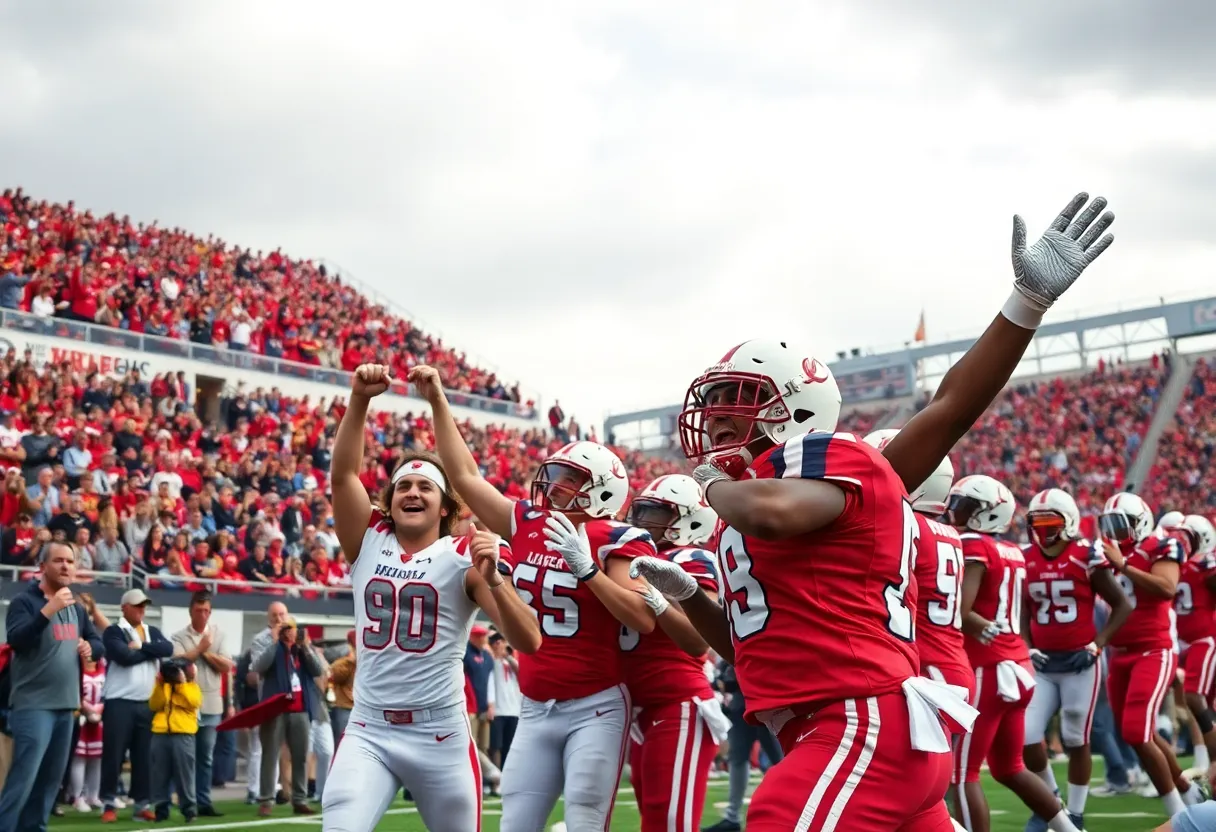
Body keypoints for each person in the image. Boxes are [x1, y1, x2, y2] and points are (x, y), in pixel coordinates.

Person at [634, 191, 1116, 830]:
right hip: (835, 723)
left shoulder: (825, 462)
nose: (717, 412)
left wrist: (1024, 304)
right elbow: (747, 645)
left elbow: (945, 411)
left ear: (794, 409)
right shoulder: (750, 501)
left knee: (776, 817)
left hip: (857, 718)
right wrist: (691, 596)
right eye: (715, 396)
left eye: (735, 396)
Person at [417, 362, 660, 832]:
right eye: (555, 474)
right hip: (534, 703)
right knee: (516, 824)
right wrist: (439, 402)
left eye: (568, 479)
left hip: (595, 704)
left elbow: (642, 617)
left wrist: (586, 567)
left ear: (599, 491)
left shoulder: (618, 538)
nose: (551, 485)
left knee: (587, 821)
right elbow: (465, 477)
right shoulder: (528, 521)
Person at [321, 363, 541, 832]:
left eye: (425, 486)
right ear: (389, 500)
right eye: (403, 485)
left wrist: (496, 580)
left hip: (437, 731)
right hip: (369, 727)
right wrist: (358, 400)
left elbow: (529, 641)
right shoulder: (368, 538)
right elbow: (343, 477)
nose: (412, 492)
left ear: (446, 507)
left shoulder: (464, 554)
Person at [949, 476, 1077, 832]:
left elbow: (959, 609)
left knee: (961, 774)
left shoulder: (974, 544)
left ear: (988, 513)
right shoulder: (1011, 551)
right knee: (1010, 767)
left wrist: (969, 622)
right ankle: (1070, 829)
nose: (955, 513)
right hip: (1017, 663)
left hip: (987, 668)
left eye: (965, 506)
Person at [621, 474, 730, 832]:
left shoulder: (691, 557)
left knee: (669, 824)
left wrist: (656, 596)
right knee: (652, 820)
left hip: (677, 702)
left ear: (690, 520)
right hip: (639, 709)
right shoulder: (630, 557)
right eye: (639, 511)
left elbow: (701, 639)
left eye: (654, 513)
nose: (640, 522)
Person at [1018, 488, 1131, 831]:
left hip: (1081, 662)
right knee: (1026, 737)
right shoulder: (1025, 556)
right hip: (1043, 662)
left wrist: (1098, 645)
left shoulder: (1086, 555)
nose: (1042, 530)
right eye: (1036, 523)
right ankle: (1051, 802)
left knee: (1075, 736)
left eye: (1049, 522)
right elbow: (1024, 608)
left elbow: (1123, 604)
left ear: (1066, 522)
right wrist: (1027, 644)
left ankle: (1076, 815)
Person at [1100, 492, 1201, 816]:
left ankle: (1178, 810)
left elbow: (1166, 587)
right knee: (1139, 732)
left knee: (1135, 731)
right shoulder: (1113, 551)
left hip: (1153, 650)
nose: (1114, 531)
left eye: (1120, 524)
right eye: (1110, 524)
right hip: (1120, 653)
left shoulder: (1160, 545)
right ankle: (1187, 789)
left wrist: (1124, 565)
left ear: (1140, 522)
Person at [0, 541, 104, 832]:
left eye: (70, 561)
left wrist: (89, 647)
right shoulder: (25, 602)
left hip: (67, 706)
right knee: (23, 779)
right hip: (33, 705)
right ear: (42, 567)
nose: (65, 566)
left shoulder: (77, 608)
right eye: (58, 561)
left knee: (49, 783)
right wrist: (48, 610)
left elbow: (97, 641)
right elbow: (17, 639)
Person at [99, 588, 174, 823]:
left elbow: (168, 649)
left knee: (144, 757)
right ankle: (109, 802)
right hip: (119, 701)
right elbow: (123, 657)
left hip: (146, 702)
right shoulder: (114, 631)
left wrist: (140, 647)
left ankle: (142, 804)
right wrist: (149, 651)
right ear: (125, 608)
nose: (142, 609)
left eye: (144, 605)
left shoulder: (151, 631)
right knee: (114, 755)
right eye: (137, 605)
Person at [251, 615, 323, 816]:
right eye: (290, 628)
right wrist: (274, 641)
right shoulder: (273, 648)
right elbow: (259, 667)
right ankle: (266, 799)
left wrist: (306, 647)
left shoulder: (301, 650)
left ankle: (299, 799)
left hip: (300, 710)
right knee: (270, 755)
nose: (293, 632)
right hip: (276, 708)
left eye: (295, 628)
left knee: (300, 756)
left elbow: (317, 670)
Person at [171, 589, 233, 817]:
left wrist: (201, 653)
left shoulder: (219, 635)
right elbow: (176, 662)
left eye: (207, 610)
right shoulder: (179, 636)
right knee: (186, 757)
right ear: (191, 611)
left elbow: (227, 666)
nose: (203, 615)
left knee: (206, 757)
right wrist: (201, 649)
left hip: (211, 704)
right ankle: (185, 799)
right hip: (186, 704)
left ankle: (203, 801)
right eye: (199, 610)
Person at [1171, 515, 1216, 774]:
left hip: (1204, 640)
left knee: (1194, 698)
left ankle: (1212, 764)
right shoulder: (1174, 565)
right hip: (1182, 642)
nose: (1181, 542)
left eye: (1188, 537)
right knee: (1201, 704)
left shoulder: (1205, 565)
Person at [149, 658, 203, 822]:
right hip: (160, 732)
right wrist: (159, 684)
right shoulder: (162, 686)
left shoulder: (192, 687)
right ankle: (161, 809)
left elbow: (194, 702)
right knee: (159, 774)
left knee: (185, 774)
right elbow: (154, 705)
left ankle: (189, 809)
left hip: (183, 733)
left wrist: (181, 683)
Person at [488, 632, 521, 769]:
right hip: (498, 710)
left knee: (510, 746)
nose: (503, 646)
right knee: (495, 746)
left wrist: (507, 654)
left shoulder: (512, 662)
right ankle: (496, 776)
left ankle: (506, 774)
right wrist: (495, 650)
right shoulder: (492, 661)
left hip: (514, 710)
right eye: (500, 642)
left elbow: (520, 671)